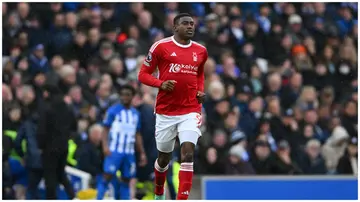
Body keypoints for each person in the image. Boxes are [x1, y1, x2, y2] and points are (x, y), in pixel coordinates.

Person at [138, 13, 208, 200]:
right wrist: (160, 83)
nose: (190, 26)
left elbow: (199, 74)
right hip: (166, 112)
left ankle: (181, 198)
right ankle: (159, 192)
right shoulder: (161, 47)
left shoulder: (201, 50)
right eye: (185, 23)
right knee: (164, 159)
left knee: (187, 153)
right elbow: (143, 74)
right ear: (175, 27)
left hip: (190, 110)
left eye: (192, 24)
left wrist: (199, 91)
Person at [97, 85, 147, 200]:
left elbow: (137, 134)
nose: (125, 97)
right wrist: (104, 146)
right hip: (114, 150)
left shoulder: (135, 114)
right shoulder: (113, 111)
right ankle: (98, 198)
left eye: (128, 94)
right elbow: (105, 130)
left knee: (127, 179)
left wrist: (142, 152)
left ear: (132, 96)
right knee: (107, 176)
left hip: (129, 153)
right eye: (123, 94)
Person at [37, 85, 76, 199]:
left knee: (50, 177)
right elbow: (74, 126)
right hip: (64, 146)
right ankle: (72, 196)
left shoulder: (47, 108)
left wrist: (41, 145)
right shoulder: (67, 108)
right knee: (61, 174)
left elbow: (42, 129)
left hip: (49, 147)